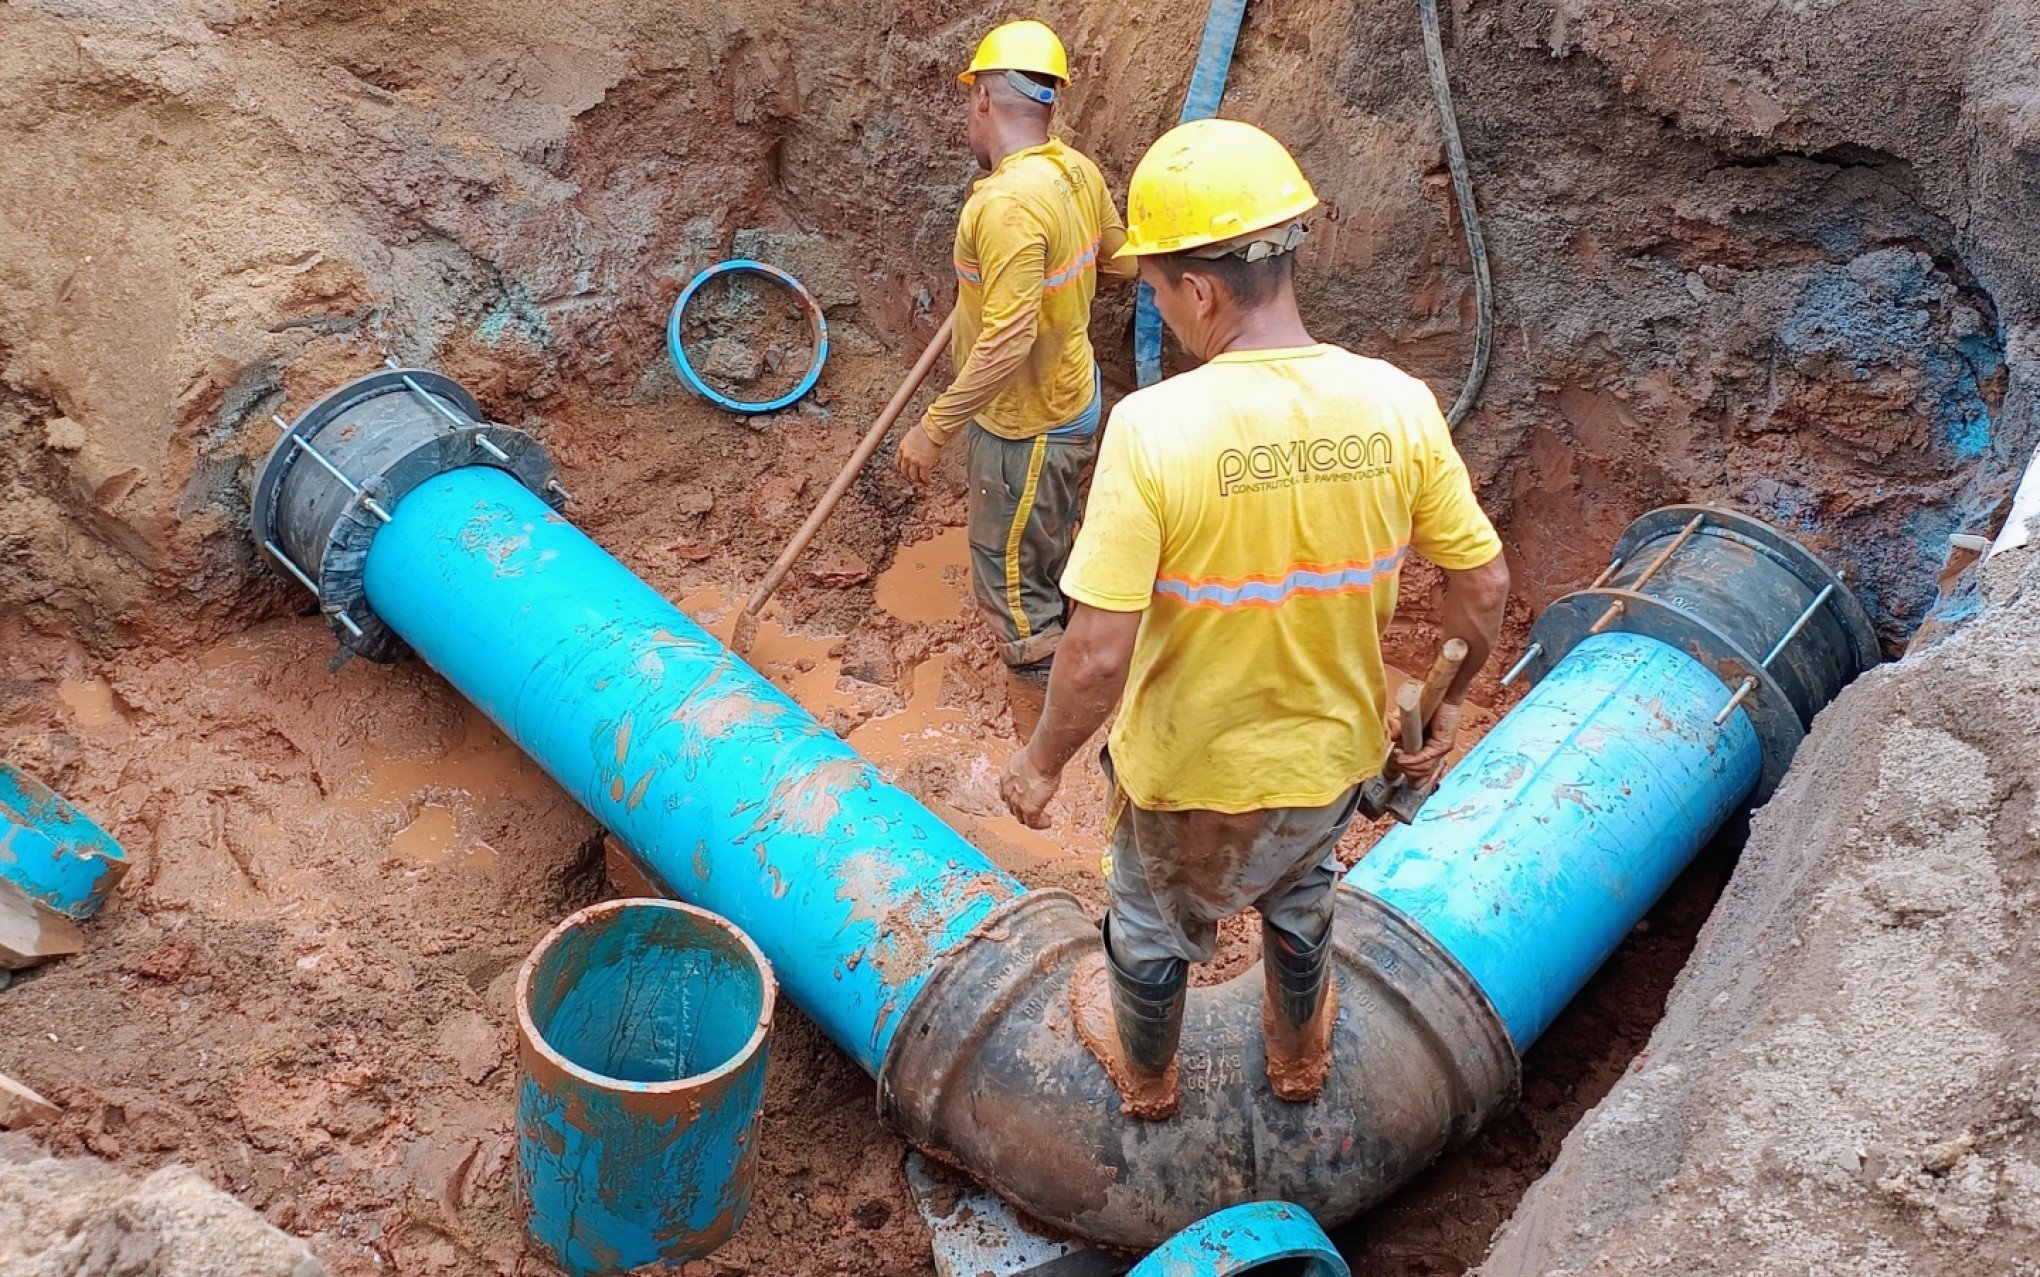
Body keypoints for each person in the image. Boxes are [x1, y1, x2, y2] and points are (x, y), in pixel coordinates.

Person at [998, 118, 1511, 1119]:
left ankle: (1148, 1077)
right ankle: (1296, 1058)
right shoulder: (1399, 404)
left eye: (1154, 287)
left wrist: (1040, 762)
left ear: (1200, 290)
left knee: (1149, 932)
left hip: (1185, 776)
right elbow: (1482, 586)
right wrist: (1442, 700)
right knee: (1302, 892)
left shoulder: (1155, 432)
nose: (1158, 303)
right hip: (1327, 759)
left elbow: (1100, 651)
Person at [895, 19, 1137, 677]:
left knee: (1011, 590)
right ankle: (1078, 657)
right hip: (1073, 391)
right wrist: (1047, 282)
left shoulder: (1005, 207)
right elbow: (1121, 263)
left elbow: (1006, 341)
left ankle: (1038, 746)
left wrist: (932, 428)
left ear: (982, 99)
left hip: (1026, 424)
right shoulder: (1076, 171)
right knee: (1046, 543)